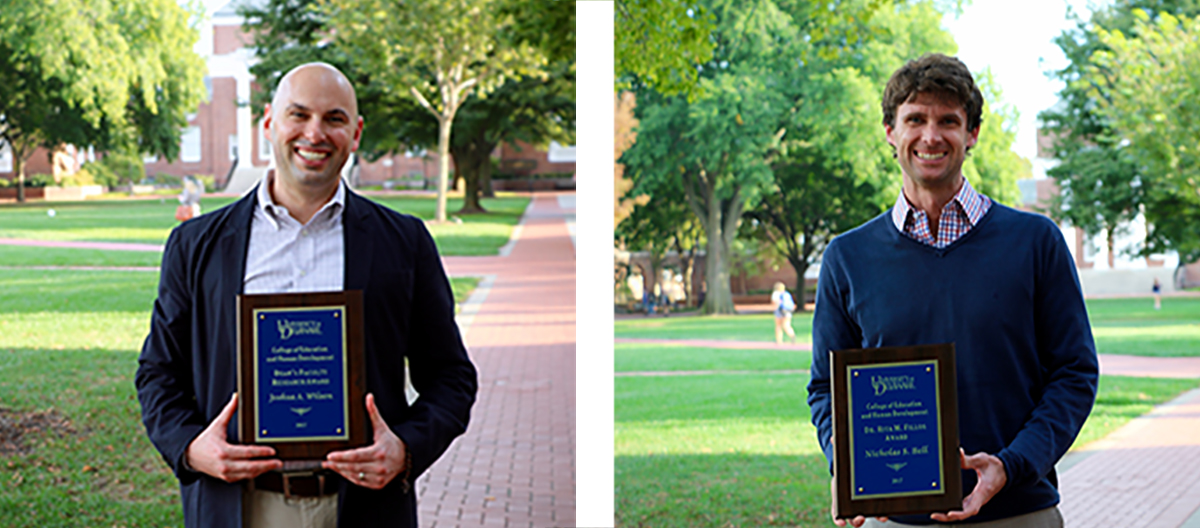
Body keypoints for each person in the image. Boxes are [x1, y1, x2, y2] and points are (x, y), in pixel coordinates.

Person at [135, 62, 478, 528]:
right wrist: (192, 447)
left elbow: (451, 375)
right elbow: (158, 371)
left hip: (363, 508)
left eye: (334, 119)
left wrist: (406, 448)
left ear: (355, 133)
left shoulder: (404, 242)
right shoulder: (196, 246)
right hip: (237, 507)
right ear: (269, 125)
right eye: (298, 115)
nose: (314, 133)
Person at [806, 53, 1098, 528]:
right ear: (890, 132)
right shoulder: (847, 257)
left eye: (949, 121)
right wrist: (848, 462)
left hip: (1019, 513)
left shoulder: (1036, 242)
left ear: (972, 134)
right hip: (896, 521)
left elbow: (1074, 373)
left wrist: (1010, 465)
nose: (931, 135)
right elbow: (825, 388)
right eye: (914, 119)